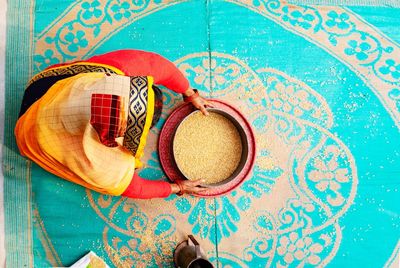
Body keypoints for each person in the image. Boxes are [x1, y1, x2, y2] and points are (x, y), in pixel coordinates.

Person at [15, 49, 213, 198]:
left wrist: (190, 93)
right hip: (30, 138)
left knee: (100, 68)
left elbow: (158, 65)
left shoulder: (115, 76)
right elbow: (137, 188)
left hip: (43, 87)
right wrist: (179, 187)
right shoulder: (104, 168)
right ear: (116, 138)